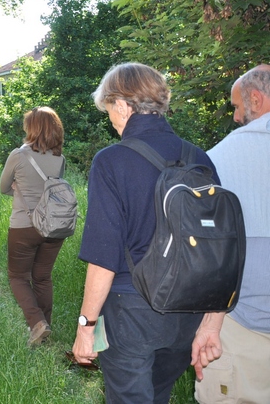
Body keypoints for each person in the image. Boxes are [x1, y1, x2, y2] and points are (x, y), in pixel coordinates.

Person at [72, 62, 221, 403]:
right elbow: (217, 247)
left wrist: (86, 326)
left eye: (109, 109)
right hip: (188, 313)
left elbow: (103, 256)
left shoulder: (112, 160)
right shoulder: (198, 157)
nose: (110, 119)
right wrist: (211, 324)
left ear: (123, 106)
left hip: (132, 314)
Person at [193, 64, 270, 404]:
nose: (237, 117)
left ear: (256, 98)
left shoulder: (216, 159)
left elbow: (211, 256)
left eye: (238, 107)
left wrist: (209, 325)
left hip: (240, 324)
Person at [0, 107, 67, 347]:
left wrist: (18, 189)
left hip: (24, 225)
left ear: (32, 128)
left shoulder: (18, 155)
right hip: (54, 226)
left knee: (17, 277)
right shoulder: (60, 158)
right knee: (42, 277)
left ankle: (37, 323)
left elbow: (3, 187)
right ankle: (44, 328)